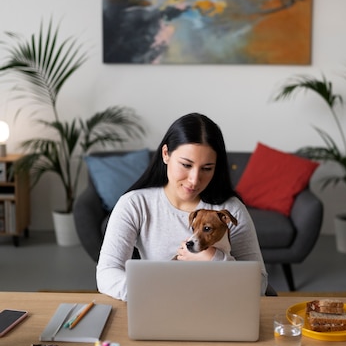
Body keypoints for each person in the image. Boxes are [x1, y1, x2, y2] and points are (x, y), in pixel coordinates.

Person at [96, 112, 268, 300]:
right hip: (158, 306)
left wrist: (213, 258)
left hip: (218, 310)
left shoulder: (230, 209)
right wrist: (156, 295)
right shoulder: (135, 204)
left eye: (207, 168)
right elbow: (107, 273)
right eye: (186, 165)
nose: (194, 180)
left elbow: (258, 284)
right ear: (165, 154)